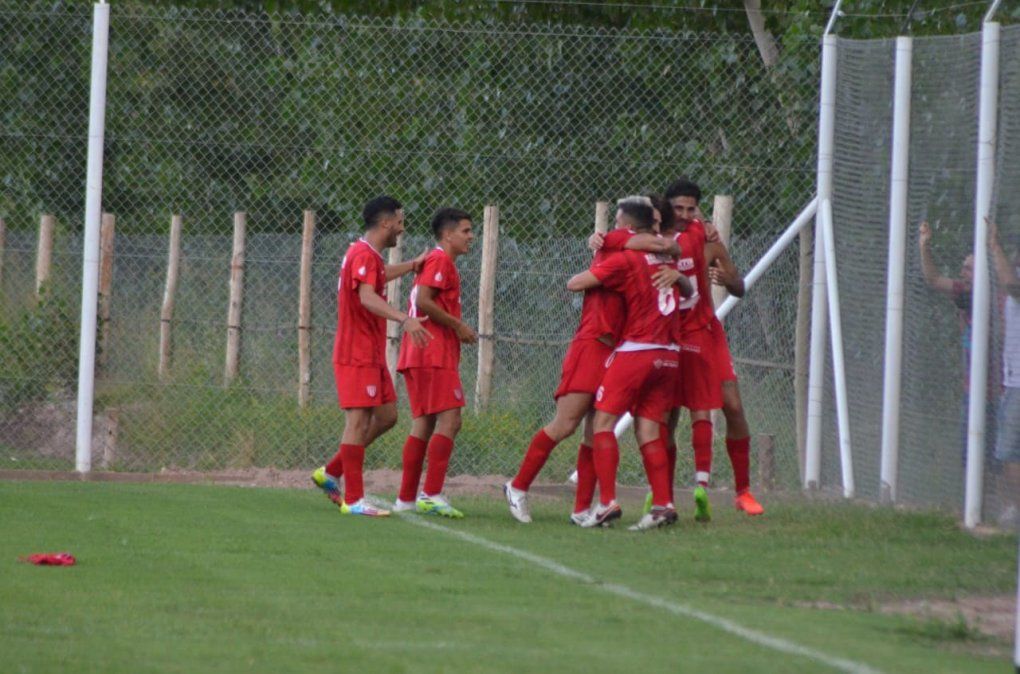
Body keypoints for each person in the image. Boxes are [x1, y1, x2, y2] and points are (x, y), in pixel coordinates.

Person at [504, 197, 686, 525]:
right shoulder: (613, 247)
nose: (659, 232)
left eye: (660, 225)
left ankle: (581, 509)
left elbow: (668, 250)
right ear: (633, 229)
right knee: (566, 424)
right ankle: (517, 487)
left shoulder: (647, 254)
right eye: (654, 225)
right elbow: (578, 280)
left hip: (625, 350)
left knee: (594, 431)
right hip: (594, 345)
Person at [566, 199, 683, 530]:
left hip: (637, 350)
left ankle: (607, 503)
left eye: (617, 222)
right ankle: (662, 504)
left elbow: (575, 284)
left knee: (602, 423)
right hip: (670, 355)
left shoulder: (625, 256)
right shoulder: (668, 255)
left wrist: (599, 263)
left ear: (627, 226)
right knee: (649, 428)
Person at [311, 196, 431, 517]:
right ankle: (355, 500)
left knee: (388, 416)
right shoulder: (363, 254)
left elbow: (376, 276)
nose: (402, 229)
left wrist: (410, 266)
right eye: (400, 222)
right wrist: (404, 319)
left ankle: (330, 472)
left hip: (371, 352)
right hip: (356, 352)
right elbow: (366, 297)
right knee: (358, 421)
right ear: (385, 223)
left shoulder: (370, 256)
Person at [665, 177, 764, 520]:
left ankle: (743, 492)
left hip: (706, 334)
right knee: (668, 415)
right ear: (667, 208)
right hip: (668, 336)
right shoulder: (652, 241)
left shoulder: (706, 241)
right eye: (678, 208)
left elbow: (739, 286)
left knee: (733, 406)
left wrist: (729, 281)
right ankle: (665, 497)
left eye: (691, 209)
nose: (684, 214)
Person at [393, 208, 478, 519]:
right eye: (466, 231)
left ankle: (405, 498)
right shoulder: (441, 260)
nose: (471, 237)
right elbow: (425, 301)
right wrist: (458, 326)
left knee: (424, 423)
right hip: (431, 352)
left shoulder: (440, 261)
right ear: (448, 235)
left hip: (419, 353)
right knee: (451, 420)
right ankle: (431, 494)